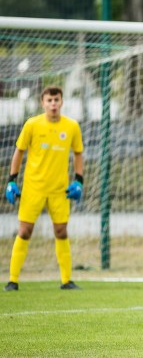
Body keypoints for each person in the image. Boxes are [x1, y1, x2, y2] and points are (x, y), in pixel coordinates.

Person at [4, 85, 84, 291]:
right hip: (33, 188)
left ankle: (66, 280)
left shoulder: (72, 126)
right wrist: (12, 180)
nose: (53, 104)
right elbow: (19, 152)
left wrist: (79, 181)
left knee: (61, 231)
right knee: (25, 231)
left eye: (56, 100)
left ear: (62, 102)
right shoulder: (32, 124)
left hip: (59, 189)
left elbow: (78, 154)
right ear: (43, 103)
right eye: (49, 100)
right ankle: (13, 280)